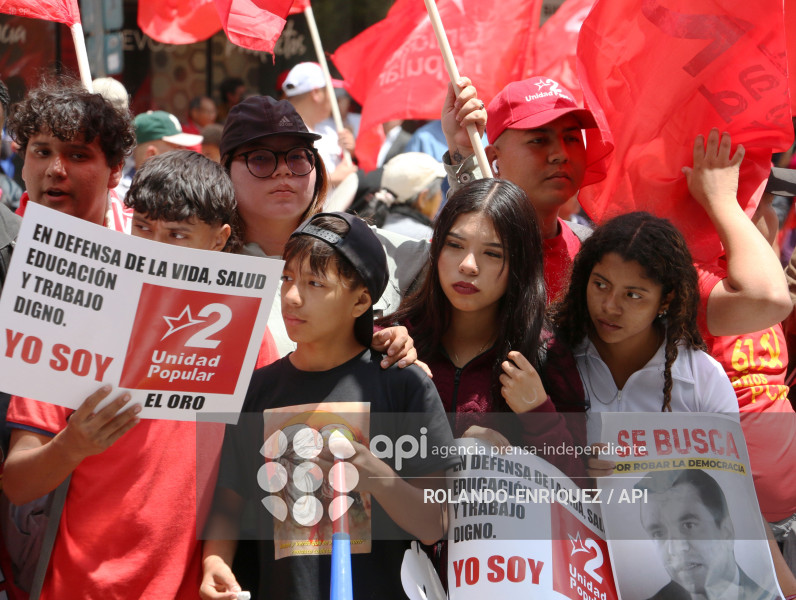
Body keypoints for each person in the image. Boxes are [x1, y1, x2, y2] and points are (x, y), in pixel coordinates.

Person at [3, 148, 277, 599]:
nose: (154, 249)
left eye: (177, 235)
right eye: (143, 228)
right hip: (73, 587)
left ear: (219, 239)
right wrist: (73, 446)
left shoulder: (246, 334)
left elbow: (241, 469)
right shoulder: (73, 320)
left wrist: (216, 558)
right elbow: (16, 482)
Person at [200, 212, 455, 600]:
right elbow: (229, 503)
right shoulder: (256, 390)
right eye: (287, 278)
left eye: (315, 283)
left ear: (361, 300)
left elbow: (436, 522)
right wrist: (215, 561)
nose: (292, 296)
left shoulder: (403, 385)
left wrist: (377, 478)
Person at [383, 178, 586, 473]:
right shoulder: (394, 343)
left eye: (492, 253)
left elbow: (581, 485)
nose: (468, 265)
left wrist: (537, 415)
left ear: (520, 265)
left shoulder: (546, 353)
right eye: (454, 245)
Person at [220, 95, 428, 360]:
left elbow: (462, 258)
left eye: (297, 157)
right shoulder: (207, 267)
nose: (283, 170)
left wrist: (462, 158)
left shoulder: (358, 243)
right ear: (225, 171)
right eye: (260, 158)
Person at [550, 211, 738, 448]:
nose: (609, 306)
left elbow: (727, 481)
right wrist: (575, 465)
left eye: (633, 295)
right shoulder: (553, 354)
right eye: (600, 284)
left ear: (666, 300)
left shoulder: (703, 380)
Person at [442, 75, 611, 302]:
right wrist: (461, 149)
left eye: (571, 138)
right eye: (538, 140)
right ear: (494, 160)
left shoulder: (595, 252)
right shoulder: (459, 255)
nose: (560, 154)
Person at [7, 80, 135, 232]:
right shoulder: (5, 243)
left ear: (114, 169)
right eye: (43, 153)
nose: (55, 170)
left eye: (77, 155)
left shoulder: (145, 241)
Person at [636, 469, 778, 600]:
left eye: (688, 525)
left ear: (726, 532)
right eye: (659, 533)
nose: (676, 549)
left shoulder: (774, 594)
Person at [282, 62, 358, 187]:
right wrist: (332, 179)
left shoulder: (328, 130)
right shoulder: (284, 134)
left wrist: (350, 152)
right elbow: (286, 183)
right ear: (316, 93)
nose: (333, 97)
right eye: (330, 90)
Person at [116, 110, 203, 199]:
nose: (184, 155)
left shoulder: (179, 188)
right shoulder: (119, 195)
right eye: (178, 148)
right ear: (151, 155)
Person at [377, 151, 445, 240]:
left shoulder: (374, 226)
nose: (441, 197)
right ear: (423, 198)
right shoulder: (428, 240)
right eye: (439, 190)